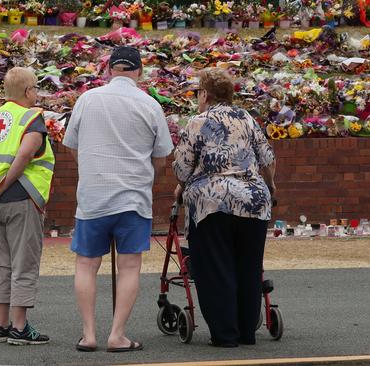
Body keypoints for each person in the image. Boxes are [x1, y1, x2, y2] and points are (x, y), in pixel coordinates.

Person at [63, 46, 174, 353]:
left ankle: (88, 335)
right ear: (139, 71)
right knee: (129, 267)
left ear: (110, 69)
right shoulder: (150, 105)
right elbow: (162, 157)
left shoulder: (87, 99)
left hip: (93, 195)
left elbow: (72, 146)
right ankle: (117, 334)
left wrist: (90, 169)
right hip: (133, 196)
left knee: (86, 264)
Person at [172, 67, 276, 347]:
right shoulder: (247, 118)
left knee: (216, 269)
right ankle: (246, 332)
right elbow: (267, 158)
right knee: (249, 267)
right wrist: (271, 187)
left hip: (212, 203)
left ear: (204, 94)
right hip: (253, 202)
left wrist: (182, 186)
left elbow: (182, 168)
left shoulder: (197, 122)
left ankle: (225, 335)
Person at [0, 67, 55, 346]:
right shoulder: (31, 118)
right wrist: (5, 185)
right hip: (20, 199)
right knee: (23, 263)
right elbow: (27, 152)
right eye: (36, 88)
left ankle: (0, 325)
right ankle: (19, 328)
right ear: (28, 91)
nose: (37, 93)